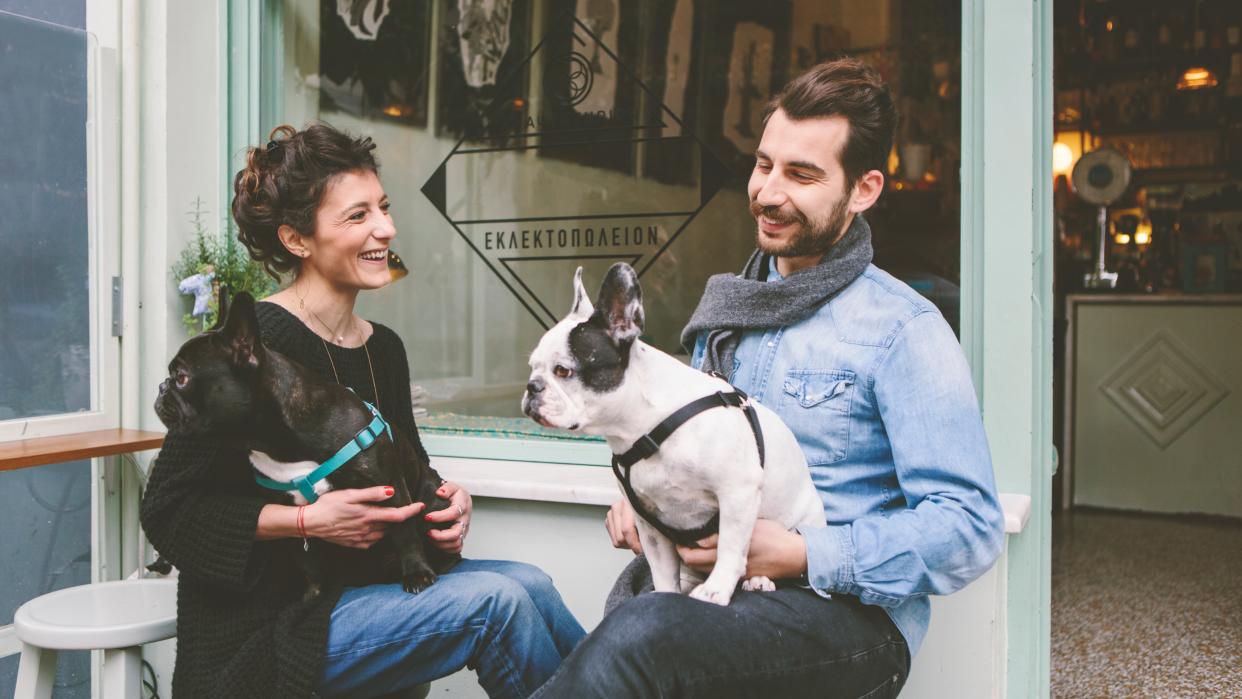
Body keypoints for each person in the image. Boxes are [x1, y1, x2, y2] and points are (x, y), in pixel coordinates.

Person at [532, 58, 1005, 698]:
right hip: (715, 598)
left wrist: (805, 552)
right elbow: (684, 450)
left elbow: (969, 529)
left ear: (863, 190)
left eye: (802, 174)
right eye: (763, 165)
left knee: (638, 639)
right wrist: (647, 497)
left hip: (845, 617)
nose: (768, 191)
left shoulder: (905, 330)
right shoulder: (727, 311)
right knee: (559, 617)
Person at [140, 123, 585, 699]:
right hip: (273, 628)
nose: (386, 228)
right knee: (496, 605)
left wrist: (444, 504)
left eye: (384, 207)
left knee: (533, 584)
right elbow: (169, 510)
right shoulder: (255, 347)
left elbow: (402, 467)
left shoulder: (383, 349)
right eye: (357, 216)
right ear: (297, 240)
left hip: (364, 590)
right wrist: (306, 521)